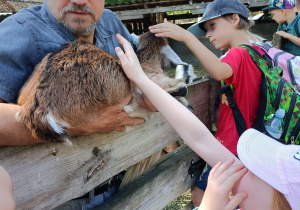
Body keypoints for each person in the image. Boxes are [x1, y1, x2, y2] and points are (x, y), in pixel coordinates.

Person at [115, 33, 299, 210]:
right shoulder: (254, 188)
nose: (247, 169)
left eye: (261, 174)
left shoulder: (241, 53)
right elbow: (200, 138)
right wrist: (141, 79)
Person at [0, 0, 168, 146]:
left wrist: (151, 86)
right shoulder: (16, 33)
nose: (79, 1)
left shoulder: (111, 22)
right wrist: (75, 124)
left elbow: (137, 73)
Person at [148, 0, 264, 206]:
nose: (208, 35)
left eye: (213, 26)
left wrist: (186, 36)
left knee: (201, 194)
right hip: (252, 142)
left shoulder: (239, 53)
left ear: (235, 19)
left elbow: (218, 71)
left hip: (231, 146)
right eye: (205, 30)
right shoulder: (260, 51)